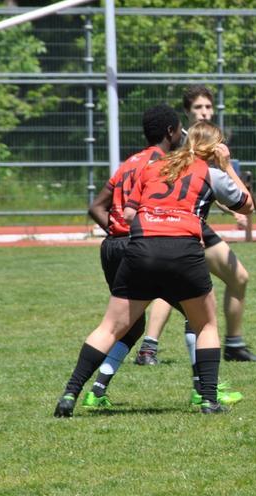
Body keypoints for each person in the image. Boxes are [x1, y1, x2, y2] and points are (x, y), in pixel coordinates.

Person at [54, 121, 253, 417]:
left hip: (142, 249)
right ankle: (209, 401)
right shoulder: (210, 173)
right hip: (183, 252)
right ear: (214, 148)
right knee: (206, 326)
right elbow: (246, 205)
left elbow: (129, 213)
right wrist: (227, 167)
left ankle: (70, 394)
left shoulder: (155, 166)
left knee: (109, 327)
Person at [133, 85, 256, 364]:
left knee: (237, 277)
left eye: (208, 107)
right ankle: (149, 347)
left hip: (193, 223)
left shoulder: (208, 139)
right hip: (179, 225)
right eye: (198, 107)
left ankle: (234, 343)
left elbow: (208, 187)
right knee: (173, 281)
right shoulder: (177, 141)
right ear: (187, 112)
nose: (204, 112)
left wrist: (232, 210)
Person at [79, 104, 182, 408]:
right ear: (170, 132)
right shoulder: (163, 164)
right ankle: (205, 391)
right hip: (140, 246)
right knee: (199, 312)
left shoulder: (129, 162)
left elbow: (96, 207)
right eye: (179, 129)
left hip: (113, 246)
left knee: (131, 324)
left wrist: (116, 230)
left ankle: (96, 390)